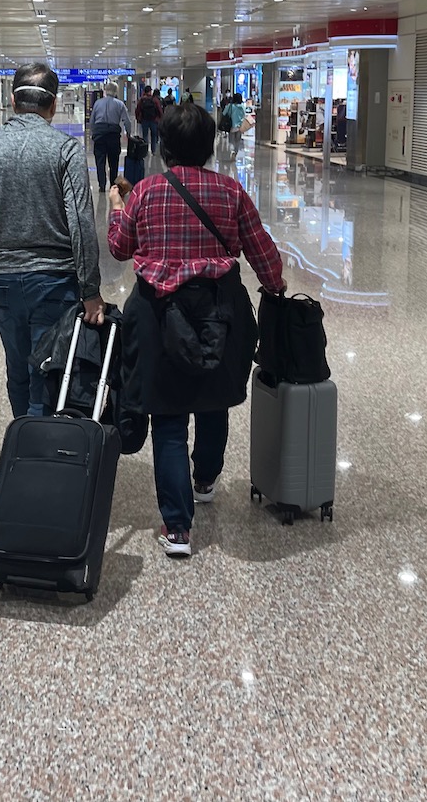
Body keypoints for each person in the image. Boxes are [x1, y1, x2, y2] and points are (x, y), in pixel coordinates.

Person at [107, 102, 286, 559]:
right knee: (212, 400)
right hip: (219, 312)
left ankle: (178, 529)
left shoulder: (145, 193)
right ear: (208, 148)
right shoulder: (231, 192)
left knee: (167, 416)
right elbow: (262, 251)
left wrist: (116, 207)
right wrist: (276, 287)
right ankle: (205, 478)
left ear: (164, 147)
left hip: (158, 313)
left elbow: (120, 247)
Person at [0, 63, 105, 419]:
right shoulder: (66, 150)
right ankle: (40, 447)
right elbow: (81, 223)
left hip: (1, 280)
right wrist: (91, 290)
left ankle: (23, 437)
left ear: (13, 102)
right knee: (47, 368)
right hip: (54, 281)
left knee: (17, 368)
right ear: (53, 106)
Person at [88, 81, 132, 193]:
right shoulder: (120, 104)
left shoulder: (97, 103)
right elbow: (126, 120)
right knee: (114, 161)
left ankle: (101, 185)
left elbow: (92, 120)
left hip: (99, 135)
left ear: (105, 91)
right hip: (113, 135)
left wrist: (93, 133)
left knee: (100, 160)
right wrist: (129, 133)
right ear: (116, 91)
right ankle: (113, 183)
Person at [136, 87, 163, 156]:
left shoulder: (142, 100)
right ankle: (153, 150)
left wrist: (138, 118)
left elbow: (138, 110)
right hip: (154, 120)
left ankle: (145, 151)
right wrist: (160, 118)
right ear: (150, 91)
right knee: (153, 136)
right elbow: (159, 109)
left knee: (145, 135)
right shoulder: (155, 99)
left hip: (144, 120)